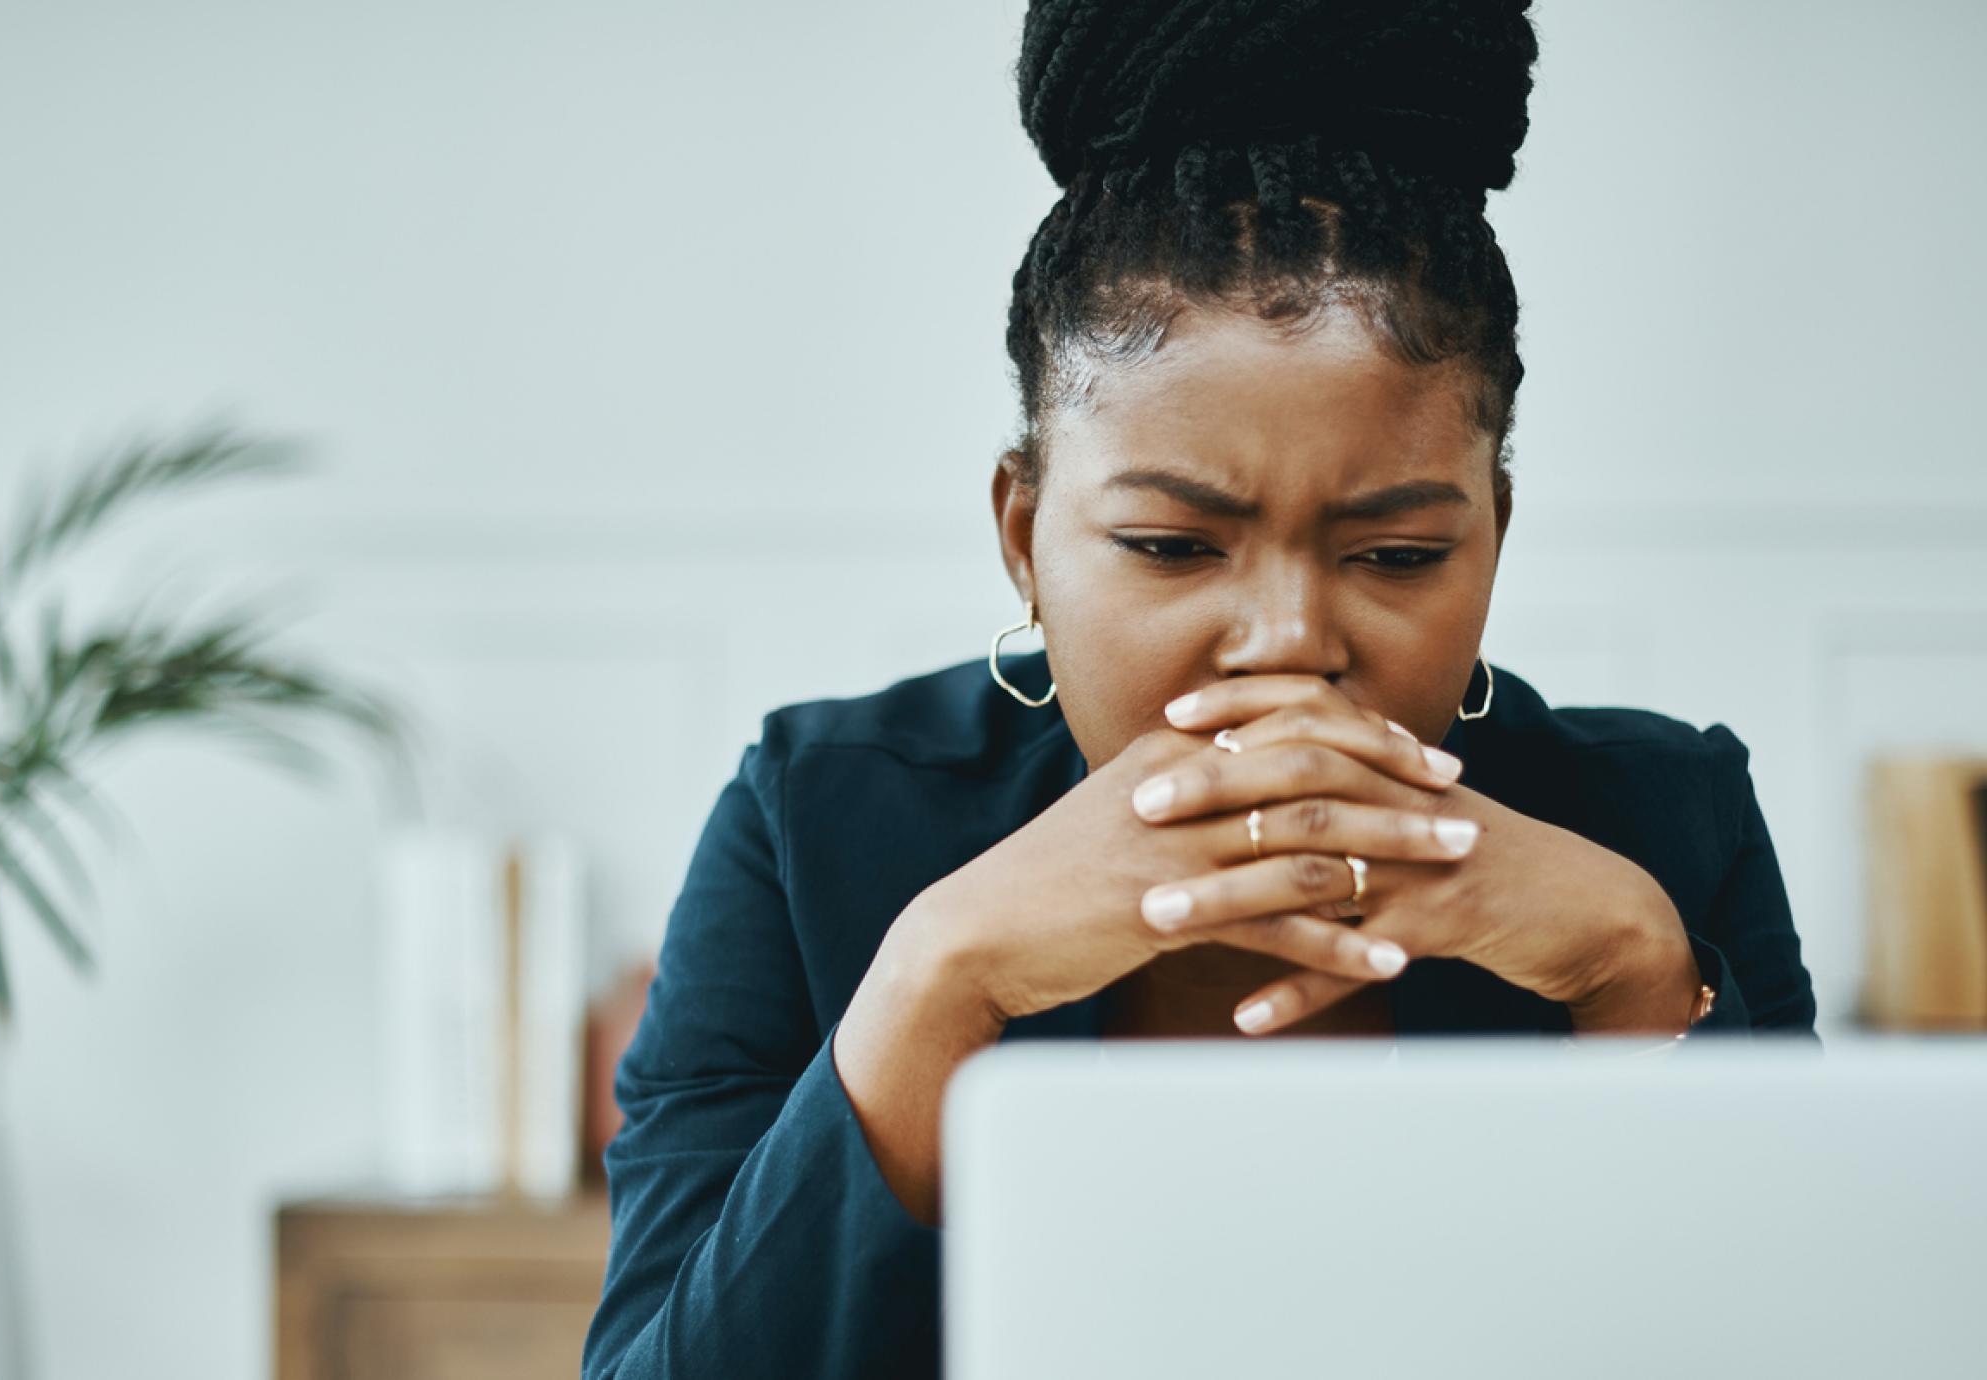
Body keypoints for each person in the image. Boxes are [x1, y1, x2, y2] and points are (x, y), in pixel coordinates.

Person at [581, 2, 1818, 1376]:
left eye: (1398, 554)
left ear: (1496, 539)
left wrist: (1635, 980)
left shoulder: (1666, 824)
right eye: (1172, 546)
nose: (1287, 641)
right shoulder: (813, 824)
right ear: (1023, 540)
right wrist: (939, 982)